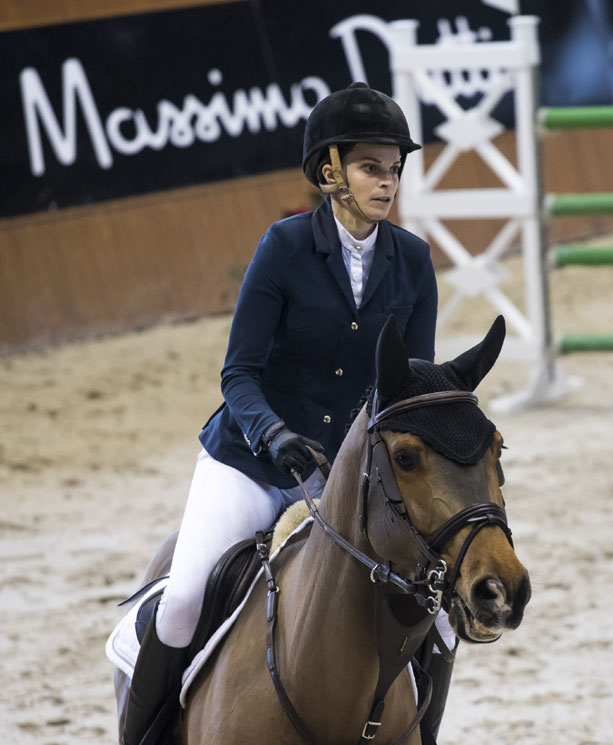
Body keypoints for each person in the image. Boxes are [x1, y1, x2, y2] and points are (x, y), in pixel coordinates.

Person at [122, 82, 445, 745]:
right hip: (248, 459)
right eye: (369, 168)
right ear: (330, 173)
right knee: (181, 603)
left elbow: (408, 386)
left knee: (434, 613)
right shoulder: (284, 247)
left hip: (347, 472)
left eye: (393, 169)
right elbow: (237, 370)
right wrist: (272, 433)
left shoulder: (411, 261)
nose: (387, 184)